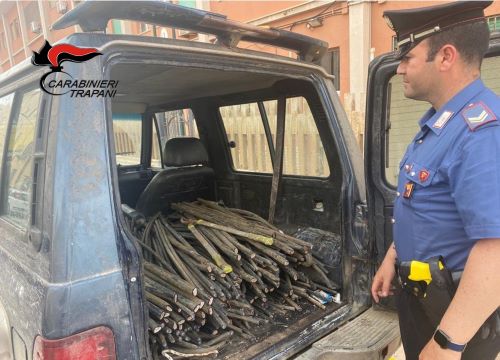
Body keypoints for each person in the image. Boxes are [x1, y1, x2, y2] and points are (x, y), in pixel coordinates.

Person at [371, 1, 500, 359]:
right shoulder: (438, 126)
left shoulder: (481, 132)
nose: (399, 70)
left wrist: (448, 343)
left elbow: (496, 250)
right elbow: (425, 206)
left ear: (445, 57)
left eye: (407, 57)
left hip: (458, 320)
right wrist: (392, 258)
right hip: (425, 302)